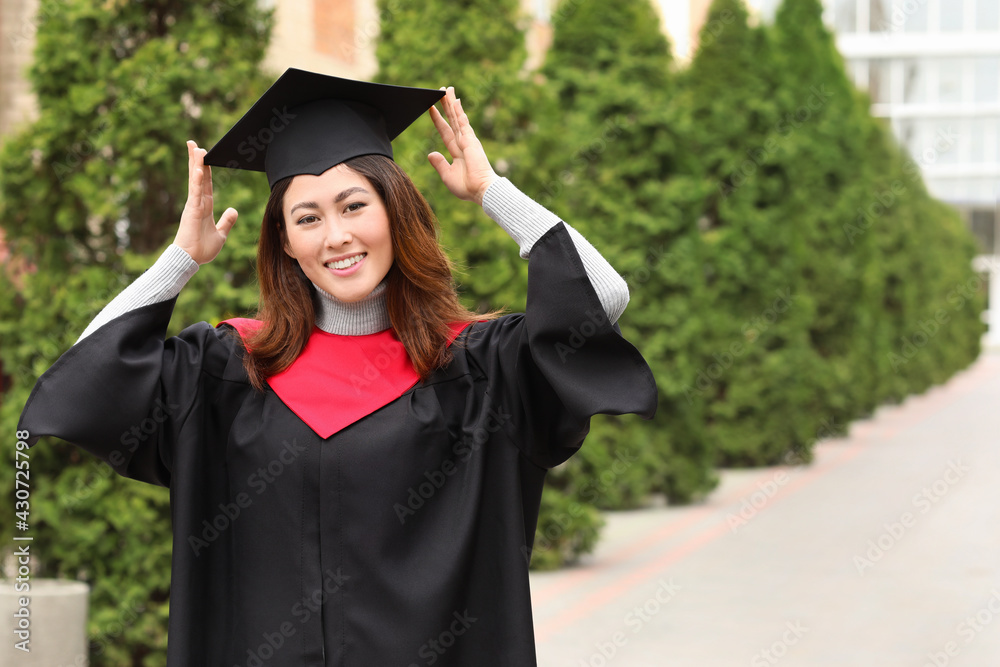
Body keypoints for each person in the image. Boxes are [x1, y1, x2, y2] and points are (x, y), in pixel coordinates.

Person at [18, 68, 657, 666]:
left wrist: (496, 194)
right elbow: (88, 376)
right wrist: (181, 256)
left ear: (394, 212)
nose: (336, 236)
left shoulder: (477, 369)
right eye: (308, 218)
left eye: (354, 206)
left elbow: (601, 303)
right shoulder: (228, 372)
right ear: (288, 245)